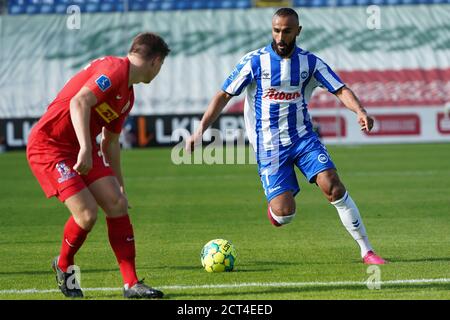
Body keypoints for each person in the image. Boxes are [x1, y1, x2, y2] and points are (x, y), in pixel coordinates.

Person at [186, 8, 386, 265]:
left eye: (287, 31)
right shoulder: (254, 62)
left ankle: (366, 251)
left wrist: (360, 110)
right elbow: (224, 95)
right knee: (285, 214)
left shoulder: (310, 63)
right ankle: (278, 208)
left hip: (304, 139)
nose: (280, 37)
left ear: (298, 31)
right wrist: (200, 130)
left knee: (333, 186)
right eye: (276, 30)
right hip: (269, 146)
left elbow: (340, 88)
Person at [26, 32, 170, 298]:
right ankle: (63, 265)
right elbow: (79, 101)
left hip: (79, 147)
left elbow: (111, 142)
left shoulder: (127, 95)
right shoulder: (114, 70)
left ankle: (131, 284)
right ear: (156, 61)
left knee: (116, 203)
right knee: (87, 214)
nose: (159, 71)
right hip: (50, 146)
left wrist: (121, 186)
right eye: (161, 66)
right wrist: (84, 146)